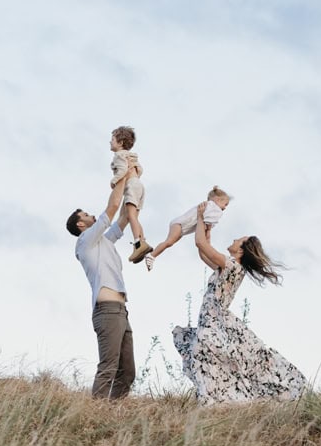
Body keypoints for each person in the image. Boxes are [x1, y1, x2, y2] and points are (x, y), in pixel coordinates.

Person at [172, 203, 307, 404]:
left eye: (239, 240)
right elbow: (202, 250)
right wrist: (206, 230)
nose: (235, 239)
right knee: (206, 357)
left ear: (242, 251)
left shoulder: (232, 265)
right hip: (211, 320)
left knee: (205, 356)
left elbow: (201, 245)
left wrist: (200, 218)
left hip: (214, 321)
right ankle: (216, 399)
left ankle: (217, 400)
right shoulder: (228, 266)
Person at [66, 166, 138, 399]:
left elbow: (125, 216)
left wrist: (133, 183)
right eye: (85, 215)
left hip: (120, 311)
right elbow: (112, 207)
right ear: (81, 225)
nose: (90, 215)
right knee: (108, 367)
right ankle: (93, 413)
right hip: (107, 311)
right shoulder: (86, 241)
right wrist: (122, 175)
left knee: (127, 373)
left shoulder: (103, 242)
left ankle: (111, 413)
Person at [144, 185, 231, 271]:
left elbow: (207, 223)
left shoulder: (208, 207)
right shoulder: (212, 206)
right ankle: (151, 255)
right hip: (180, 224)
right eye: (225, 204)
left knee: (169, 243)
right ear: (217, 199)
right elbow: (211, 220)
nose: (225, 207)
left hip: (182, 227)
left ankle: (152, 255)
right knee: (168, 242)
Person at [109, 125, 151, 264]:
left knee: (131, 216)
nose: (110, 142)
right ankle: (141, 243)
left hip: (131, 186)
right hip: (139, 185)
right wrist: (135, 175)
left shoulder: (119, 155)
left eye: (112, 139)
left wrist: (114, 181)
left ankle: (138, 242)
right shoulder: (132, 156)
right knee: (135, 217)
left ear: (120, 143)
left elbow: (121, 170)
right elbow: (140, 169)